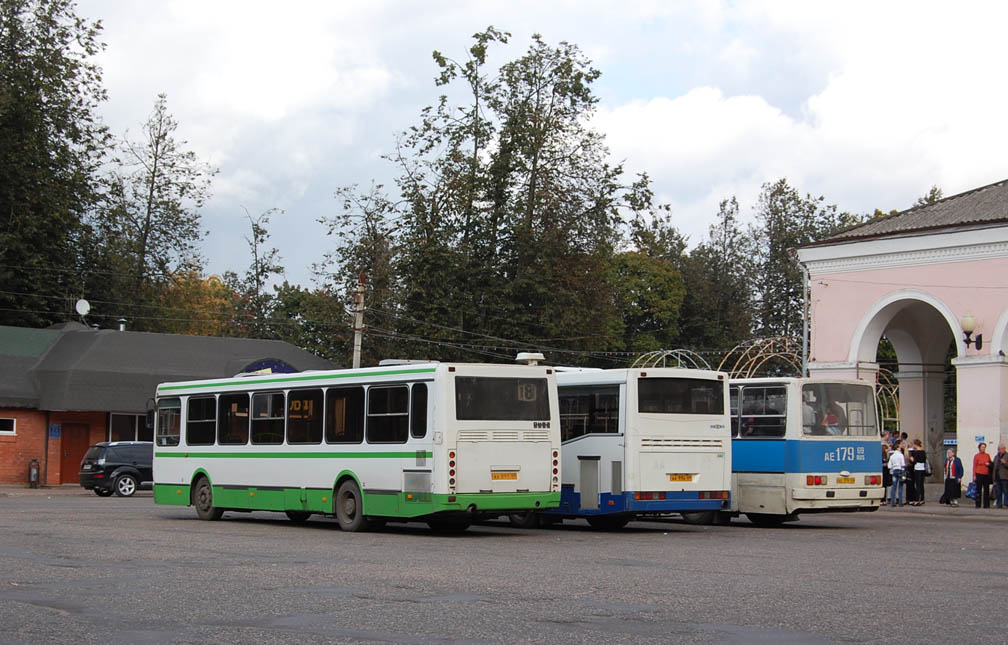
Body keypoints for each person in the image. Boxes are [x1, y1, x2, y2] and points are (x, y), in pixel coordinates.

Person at [973, 442, 993, 509]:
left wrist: (989, 464)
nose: (983, 449)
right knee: (978, 490)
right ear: (979, 448)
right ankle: (978, 504)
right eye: (982, 447)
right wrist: (974, 475)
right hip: (979, 474)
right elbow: (974, 466)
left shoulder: (987, 455)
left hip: (986, 474)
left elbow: (991, 463)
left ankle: (986, 504)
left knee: (986, 490)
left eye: (984, 447)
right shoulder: (977, 456)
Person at [907, 439, 928, 505]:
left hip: (917, 469)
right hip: (923, 469)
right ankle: (922, 498)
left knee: (917, 485)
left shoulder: (916, 452)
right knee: (921, 484)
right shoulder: (923, 452)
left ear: (915, 444)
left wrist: (910, 458)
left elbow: (914, 461)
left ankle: (917, 499)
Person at [888, 440, 906, 506]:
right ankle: (900, 502)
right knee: (900, 487)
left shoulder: (892, 456)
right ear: (898, 448)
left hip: (894, 471)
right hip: (900, 471)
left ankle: (893, 502)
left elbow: (889, 466)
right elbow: (903, 464)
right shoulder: (901, 455)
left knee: (894, 487)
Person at [992, 444, 1007, 508]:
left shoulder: (1007, 456)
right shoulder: (996, 456)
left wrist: (1005, 463)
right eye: (999, 449)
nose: (1000, 450)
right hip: (997, 476)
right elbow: (994, 466)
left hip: (1005, 476)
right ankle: (999, 504)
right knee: (998, 491)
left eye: (1001, 449)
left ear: (1004, 449)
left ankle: (1006, 504)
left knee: (1006, 491)